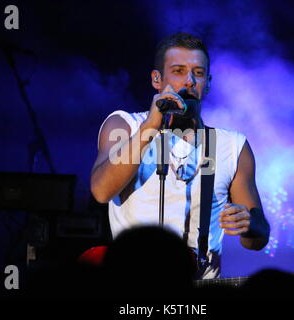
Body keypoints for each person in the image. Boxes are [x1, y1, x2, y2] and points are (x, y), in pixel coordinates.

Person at [90, 32, 270, 280]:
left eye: (197, 73)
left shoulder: (233, 146)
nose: (188, 81)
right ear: (157, 79)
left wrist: (250, 225)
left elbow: (257, 240)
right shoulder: (124, 126)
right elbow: (101, 191)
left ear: (207, 82)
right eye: (178, 71)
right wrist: (150, 128)